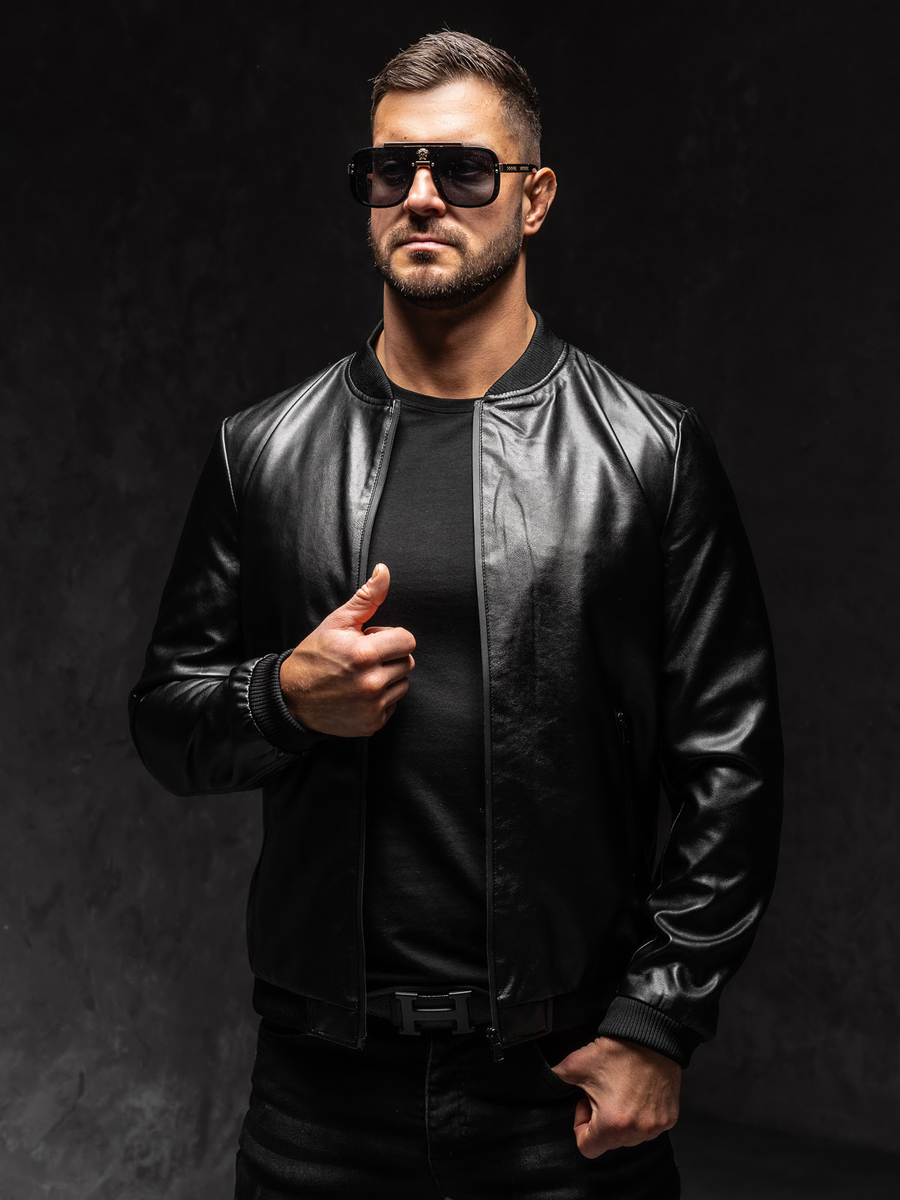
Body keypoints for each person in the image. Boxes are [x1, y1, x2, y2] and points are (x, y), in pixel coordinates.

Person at [128, 29, 783, 1200]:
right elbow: (167, 723)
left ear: (534, 197)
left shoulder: (648, 454)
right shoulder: (261, 452)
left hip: (560, 1086)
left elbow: (730, 766)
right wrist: (281, 699)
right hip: (320, 1092)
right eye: (391, 167)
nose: (421, 194)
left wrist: (657, 1022)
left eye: (465, 169)